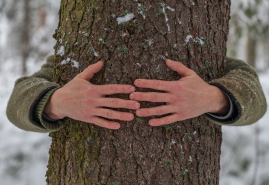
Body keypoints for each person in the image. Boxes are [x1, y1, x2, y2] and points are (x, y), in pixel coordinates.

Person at [6, 56, 267, 133]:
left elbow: (254, 95)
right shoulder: (72, 56)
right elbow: (16, 102)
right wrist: (55, 102)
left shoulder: (208, 56)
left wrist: (215, 98)